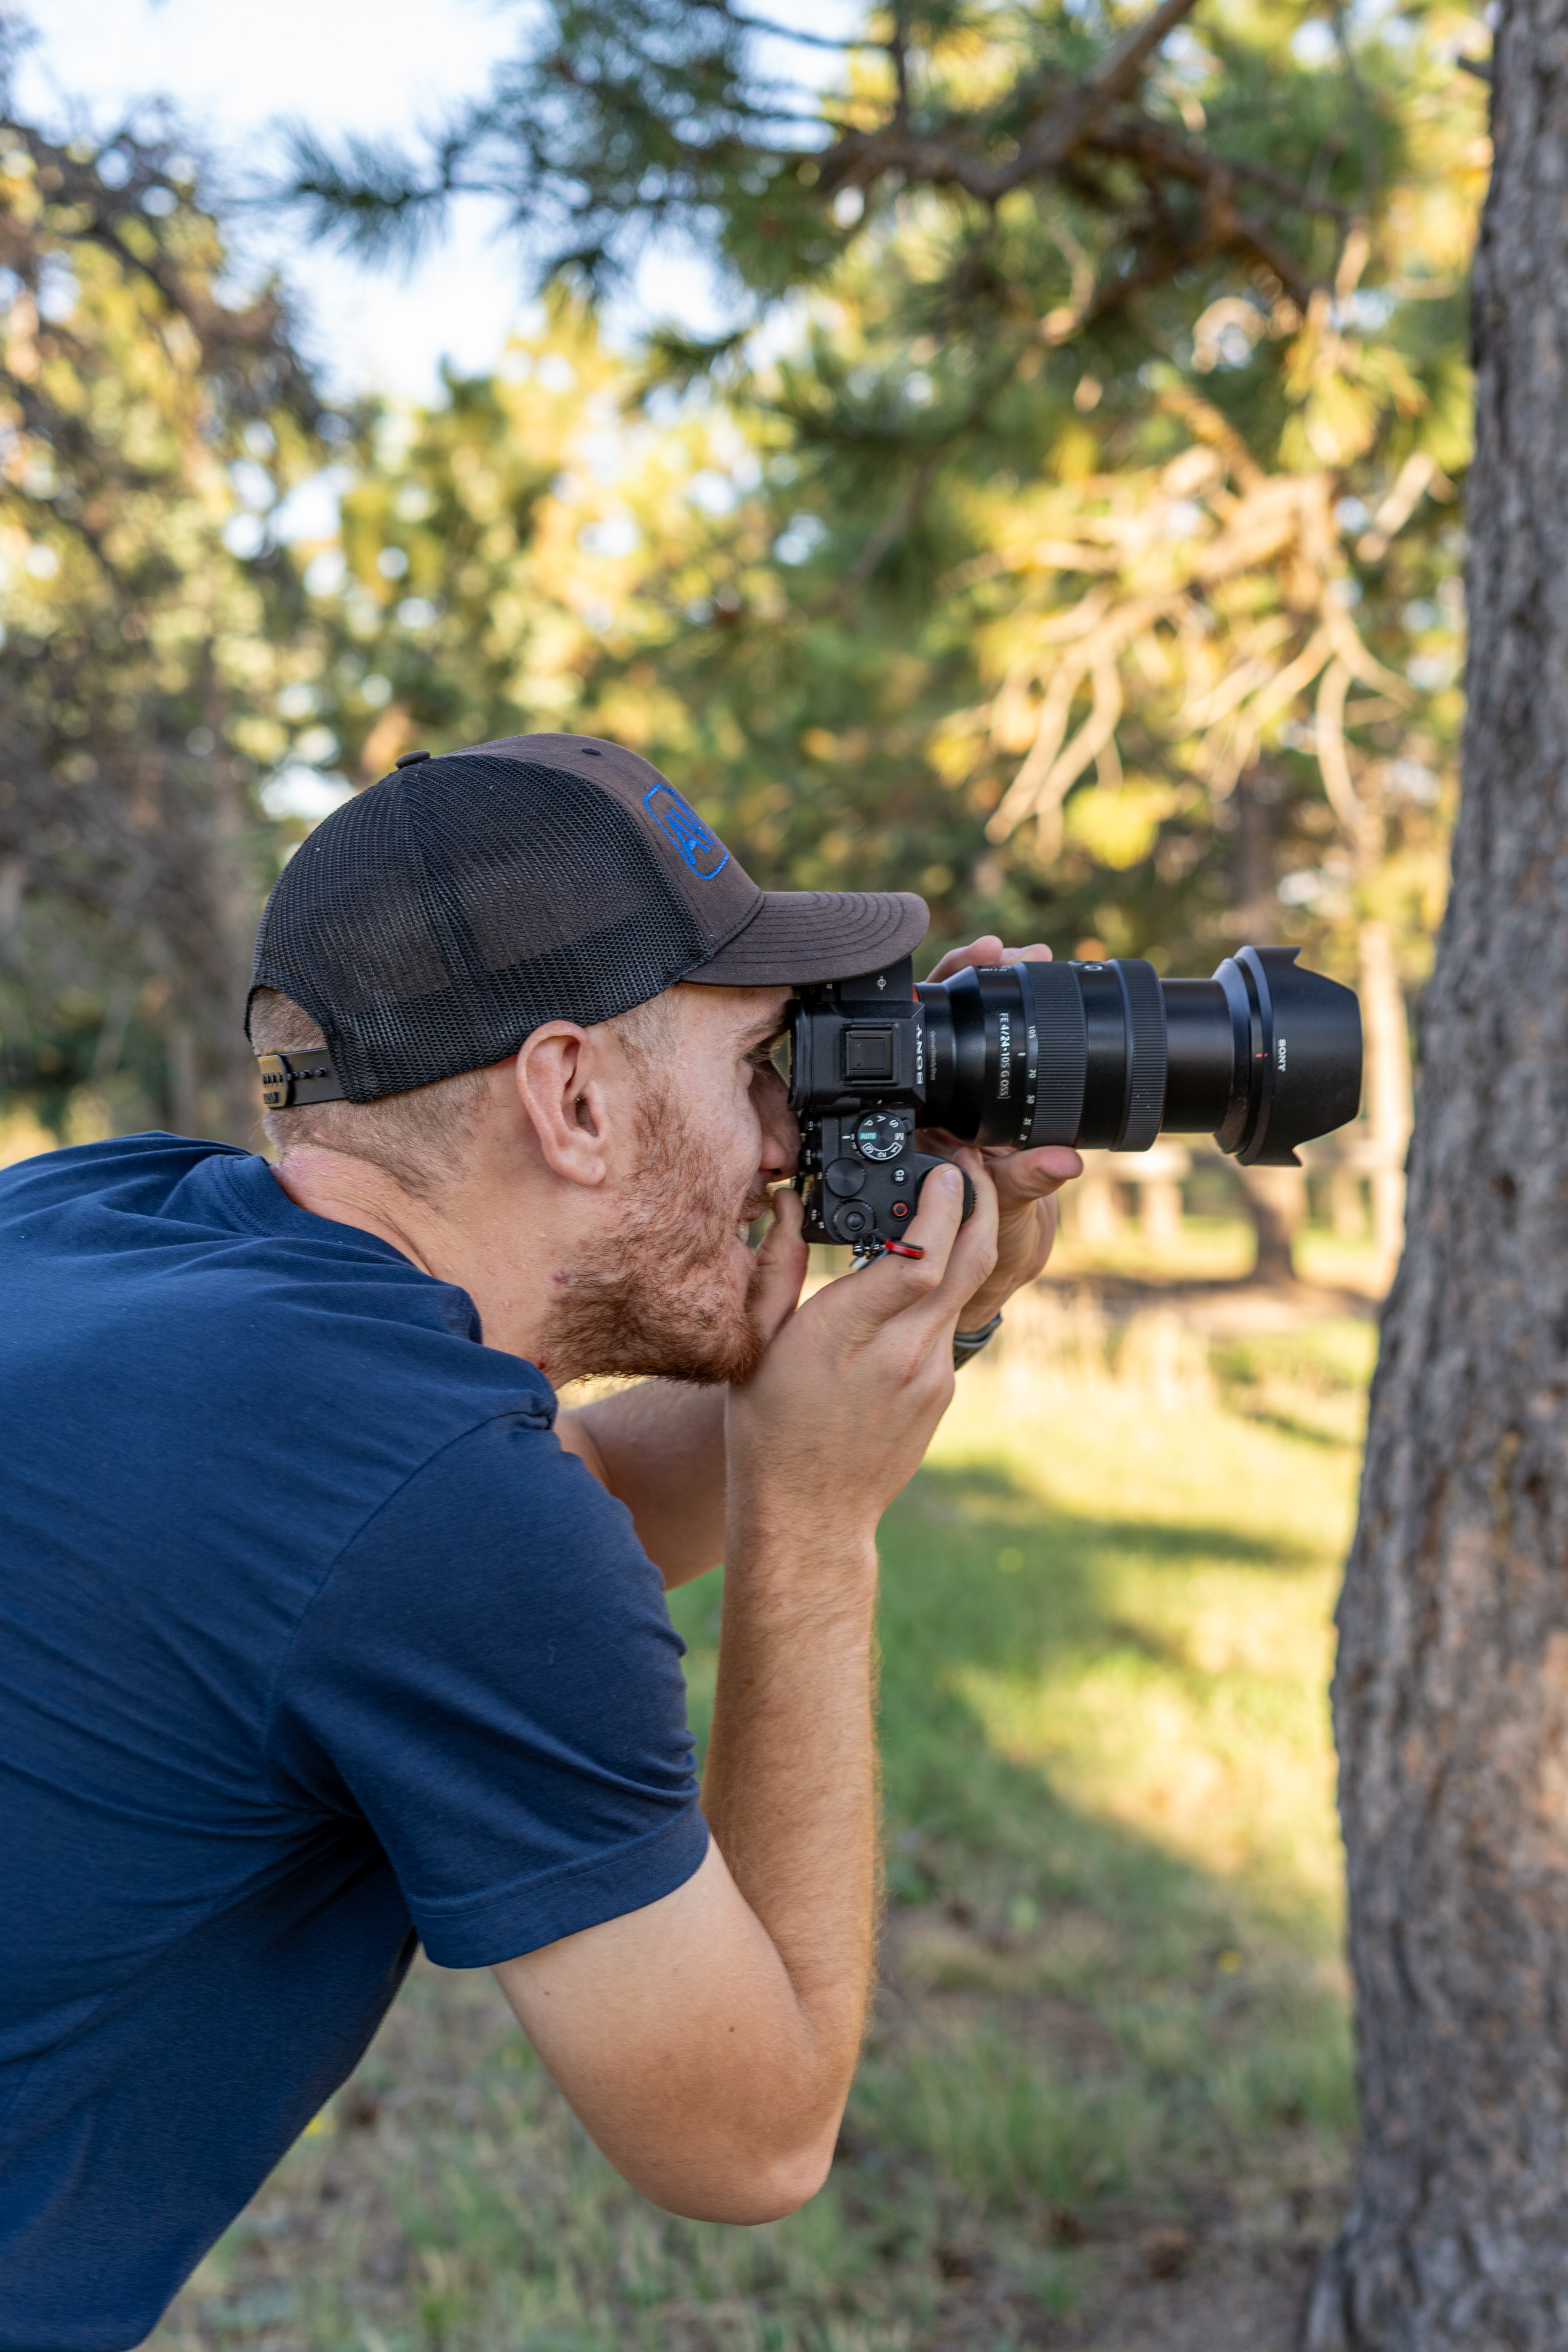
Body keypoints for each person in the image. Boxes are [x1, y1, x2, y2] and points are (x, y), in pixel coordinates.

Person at [0, 734, 1080, 2351]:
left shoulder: (107, 1219)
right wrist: (813, 1534)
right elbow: (752, 2138)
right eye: (756, 1068)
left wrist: (950, 1311)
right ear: (569, 1095)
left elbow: (534, 1503)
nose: (790, 1139)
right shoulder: (429, 1502)